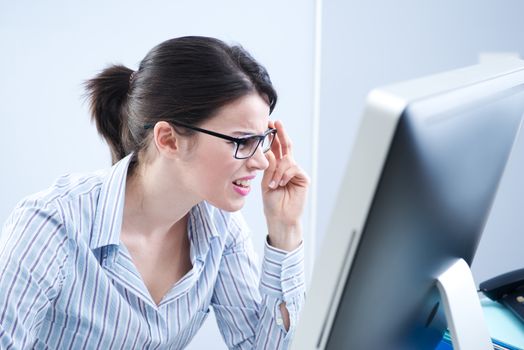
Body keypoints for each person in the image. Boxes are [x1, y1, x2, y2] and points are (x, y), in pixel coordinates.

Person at [0, 36, 309, 349]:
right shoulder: (51, 225)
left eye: (263, 138)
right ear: (169, 139)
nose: (261, 161)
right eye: (241, 141)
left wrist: (285, 230)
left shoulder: (221, 230)